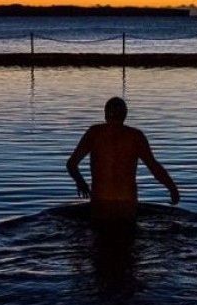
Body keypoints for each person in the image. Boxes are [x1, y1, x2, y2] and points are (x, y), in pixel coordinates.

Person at [67, 97, 180, 229]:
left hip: (101, 202)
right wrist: (172, 188)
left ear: (105, 114)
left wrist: (81, 182)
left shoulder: (94, 133)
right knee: (127, 244)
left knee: (100, 244)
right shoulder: (135, 136)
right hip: (126, 203)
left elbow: (71, 164)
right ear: (125, 115)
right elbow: (154, 167)